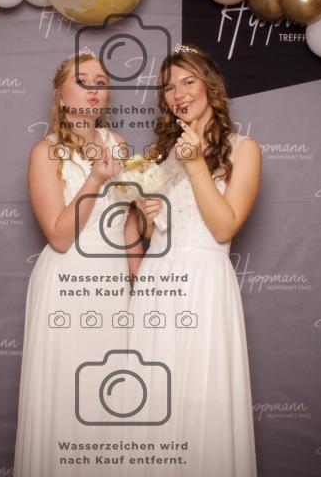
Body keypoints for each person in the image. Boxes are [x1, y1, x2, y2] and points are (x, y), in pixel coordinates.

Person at [125, 44, 262, 476]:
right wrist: (148, 217)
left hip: (203, 284)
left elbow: (223, 228)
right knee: (153, 397)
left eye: (188, 81)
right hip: (156, 285)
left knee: (199, 398)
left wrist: (197, 164)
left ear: (210, 87)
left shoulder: (244, 149)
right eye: (169, 87)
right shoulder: (159, 155)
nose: (179, 93)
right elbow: (158, 233)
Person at [14, 48, 140, 477]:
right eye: (83, 80)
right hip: (68, 285)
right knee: (70, 394)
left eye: (101, 83)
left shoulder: (118, 144)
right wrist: (95, 179)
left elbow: (126, 223)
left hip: (113, 288)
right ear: (59, 93)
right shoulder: (44, 152)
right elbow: (60, 236)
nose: (94, 90)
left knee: (114, 395)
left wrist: (139, 285)